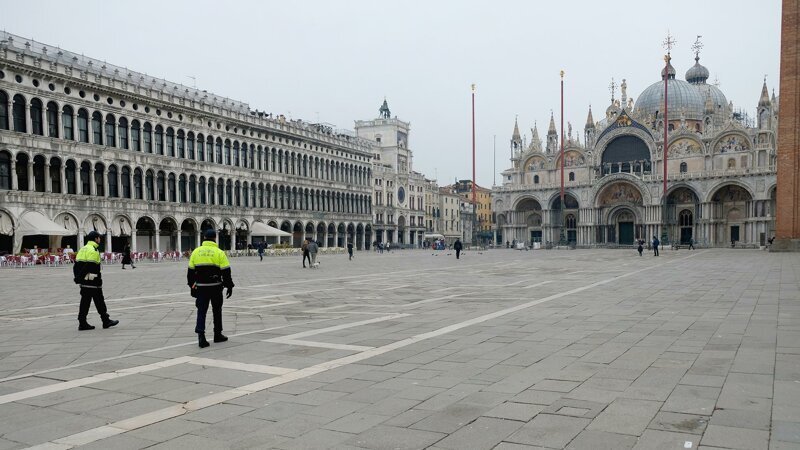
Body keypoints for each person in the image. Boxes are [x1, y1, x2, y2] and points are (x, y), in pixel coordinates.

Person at [187, 229, 234, 348]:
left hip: (201, 287)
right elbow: (226, 272)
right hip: (216, 287)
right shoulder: (219, 252)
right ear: (214, 238)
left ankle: (201, 336)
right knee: (217, 310)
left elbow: (190, 273)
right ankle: (217, 334)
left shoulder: (196, 252)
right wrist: (229, 286)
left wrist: (192, 287)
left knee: (201, 311)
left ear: (204, 238)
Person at [73, 231, 119, 331]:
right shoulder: (93, 250)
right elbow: (90, 266)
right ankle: (105, 321)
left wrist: (78, 278)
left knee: (85, 302)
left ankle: (82, 322)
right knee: (99, 301)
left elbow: (76, 266)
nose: (100, 239)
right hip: (92, 281)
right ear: (95, 239)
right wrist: (95, 279)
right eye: (99, 238)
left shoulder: (82, 249)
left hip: (84, 281)